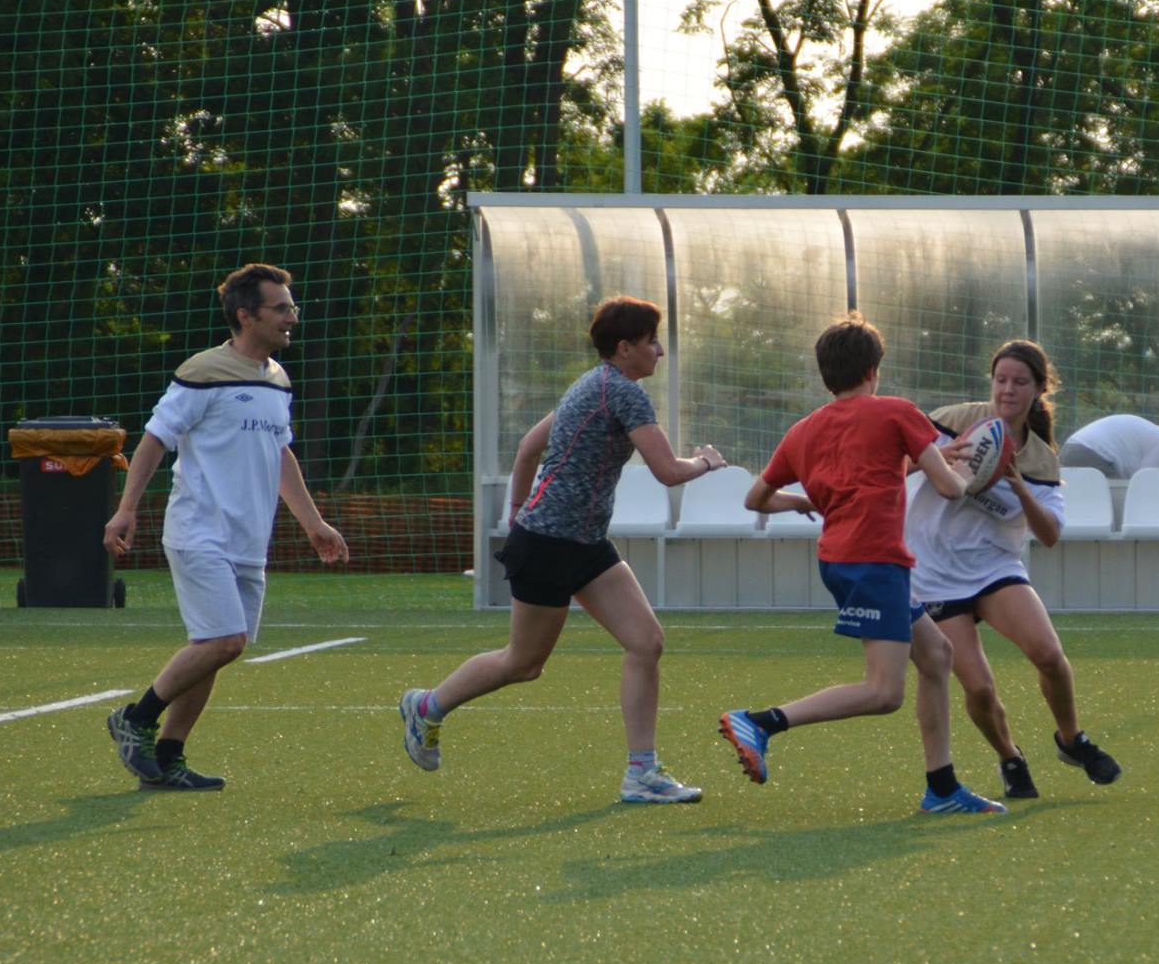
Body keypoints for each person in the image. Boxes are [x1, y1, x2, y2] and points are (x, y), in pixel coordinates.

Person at [397, 295, 724, 804]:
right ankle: (427, 707)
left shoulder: (590, 384)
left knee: (646, 643)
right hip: (550, 545)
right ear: (625, 348)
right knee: (523, 663)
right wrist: (706, 462)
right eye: (652, 342)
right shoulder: (624, 393)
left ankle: (641, 774)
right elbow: (667, 471)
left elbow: (528, 446)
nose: (660, 352)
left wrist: (517, 509)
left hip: (582, 543)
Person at [718, 313, 1006, 815]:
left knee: (937, 655)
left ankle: (942, 789)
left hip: (842, 560)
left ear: (826, 374)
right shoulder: (897, 411)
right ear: (874, 369)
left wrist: (801, 501)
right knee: (884, 692)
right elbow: (949, 488)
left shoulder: (803, 431)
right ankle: (761, 722)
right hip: (874, 562)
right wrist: (967, 473)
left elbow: (756, 499)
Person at [103, 263, 349, 791]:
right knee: (226, 640)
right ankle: (135, 719)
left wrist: (313, 523)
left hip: (248, 541)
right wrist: (126, 508)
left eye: (292, 307)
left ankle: (168, 757)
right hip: (199, 533)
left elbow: (280, 453)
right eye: (280, 308)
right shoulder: (203, 371)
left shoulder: (277, 379)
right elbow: (155, 439)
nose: (292, 317)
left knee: (212, 650)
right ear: (246, 315)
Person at [906, 341, 1123, 800]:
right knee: (980, 689)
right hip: (934, 573)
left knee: (1049, 655)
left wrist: (1020, 488)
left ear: (1039, 389)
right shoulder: (952, 420)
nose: (1007, 389)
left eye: (1020, 382)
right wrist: (936, 458)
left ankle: (1071, 740)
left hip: (993, 567)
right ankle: (1010, 757)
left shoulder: (1042, 459)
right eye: (1000, 379)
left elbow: (1049, 534)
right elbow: (892, 462)